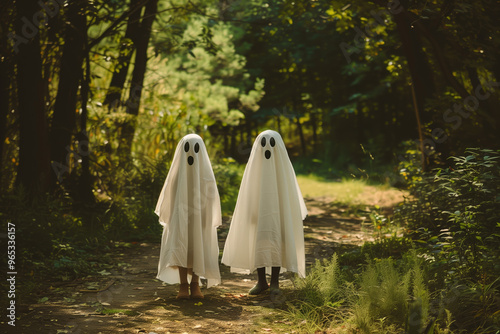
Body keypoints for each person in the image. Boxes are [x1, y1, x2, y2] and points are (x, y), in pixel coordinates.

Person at [222, 130, 307, 295]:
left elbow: (289, 193)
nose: (267, 147)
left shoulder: (283, 168)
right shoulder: (254, 167)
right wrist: (250, 212)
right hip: (259, 214)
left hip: (278, 214)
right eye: (263, 143)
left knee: (277, 242)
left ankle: (275, 281)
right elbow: (249, 191)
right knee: (260, 242)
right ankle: (261, 281)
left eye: (272, 143)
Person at [155, 134, 221, 299]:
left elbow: (211, 199)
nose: (191, 152)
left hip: (199, 221)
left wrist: (208, 219)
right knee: (181, 247)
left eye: (195, 148)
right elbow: (169, 197)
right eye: (187, 148)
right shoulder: (176, 174)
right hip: (180, 219)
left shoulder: (206, 176)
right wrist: (171, 218)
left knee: (197, 248)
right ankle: (183, 285)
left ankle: (195, 284)